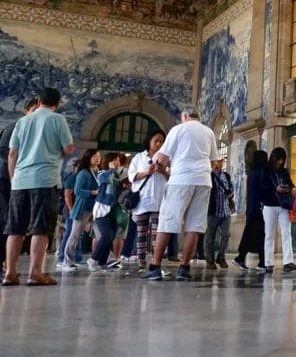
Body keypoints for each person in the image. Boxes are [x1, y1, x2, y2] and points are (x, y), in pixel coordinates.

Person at [4, 87, 74, 287]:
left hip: (20, 181)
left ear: (38, 100)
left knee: (15, 228)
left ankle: (9, 272)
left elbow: (12, 154)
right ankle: (35, 272)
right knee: (41, 228)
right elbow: (68, 148)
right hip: (45, 179)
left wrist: (13, 180)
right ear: (57, 103)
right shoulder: (57, 119)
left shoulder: (22, 121)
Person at [142, 107, 217, 282]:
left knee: (167, 222)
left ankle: (155, 267)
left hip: (181, 180)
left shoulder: (178, 129)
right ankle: (184, 268)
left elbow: (161, 159)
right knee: (194, 226)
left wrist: (161, 166)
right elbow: (214, 160)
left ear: (184, 116)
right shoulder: (209, 132)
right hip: (204, 181)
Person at [0, 97, 39, 283]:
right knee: (1, 222)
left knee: (13, 223)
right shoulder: (16, 126)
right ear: (26, 110)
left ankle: (3, 266)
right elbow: (3, 150)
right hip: (4, 178)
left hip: (19, 179)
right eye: (35, 109)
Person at [128, 130, 169, 271]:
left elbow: (172, 177)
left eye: (161, 141)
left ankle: (156, 262)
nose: (158, 144)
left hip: (159, 201)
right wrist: (147, 172)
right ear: (149, 141)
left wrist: (162, 170)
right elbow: (131, 176)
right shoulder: (138, 158)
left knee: (157, 234)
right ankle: (141, 261)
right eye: (156, 140)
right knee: (141, 233)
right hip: (142, 201)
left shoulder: (166, 159)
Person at [60, 149, 99, 272]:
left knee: (101, 235)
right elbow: (77, 191)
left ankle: (107, 259)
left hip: (94, 208)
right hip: (83, 208)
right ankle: (67, 261)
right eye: (94, 156)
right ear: (88, 158)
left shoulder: (97, 172)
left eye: (99, 156)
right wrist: (93, 192)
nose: (98, 158)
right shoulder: (84, 173)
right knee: (75, 235)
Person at [262, 147, 296, 274]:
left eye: (282, 160)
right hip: (269, 206)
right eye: (278, 159)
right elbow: (262, 191)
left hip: (284, 205)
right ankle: (268, 263)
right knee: (269, 235)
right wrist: (275, 189)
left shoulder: (284, 172)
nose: (280, 162)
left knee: (286, 232)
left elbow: (290, 184)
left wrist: (293, 189)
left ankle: (288, 262)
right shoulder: (265, 172)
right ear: (273, 158)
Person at [234, 150, 268, 272]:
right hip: (260, 209)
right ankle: (262, 261)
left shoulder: (251, 173)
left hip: (252, 209)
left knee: (252, 234)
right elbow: (263, 191)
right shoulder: (262, 173)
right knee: (262, 235)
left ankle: (243, 257)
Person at [88, 152, 121, 271]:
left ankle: (103, 262)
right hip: (102, 208)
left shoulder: (117, 175)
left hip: (112, 209)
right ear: (108, 162)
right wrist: (112, 170)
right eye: (115, 160)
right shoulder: (102, 173)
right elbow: (105, 180)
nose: (118, 163)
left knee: (111, 236)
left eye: (118, 161)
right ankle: (93, 259)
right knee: (106, 235)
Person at [204, 156, 233, 269]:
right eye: (218, 161)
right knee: (210, 236)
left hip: (225, 210)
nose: (220, 163)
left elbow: (230, 188)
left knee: (226, 234)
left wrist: (231, 194)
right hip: (213, 210)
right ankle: (209, 260)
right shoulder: (209, 175)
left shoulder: (226, 175)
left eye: (222, 161)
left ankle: (221, 257)